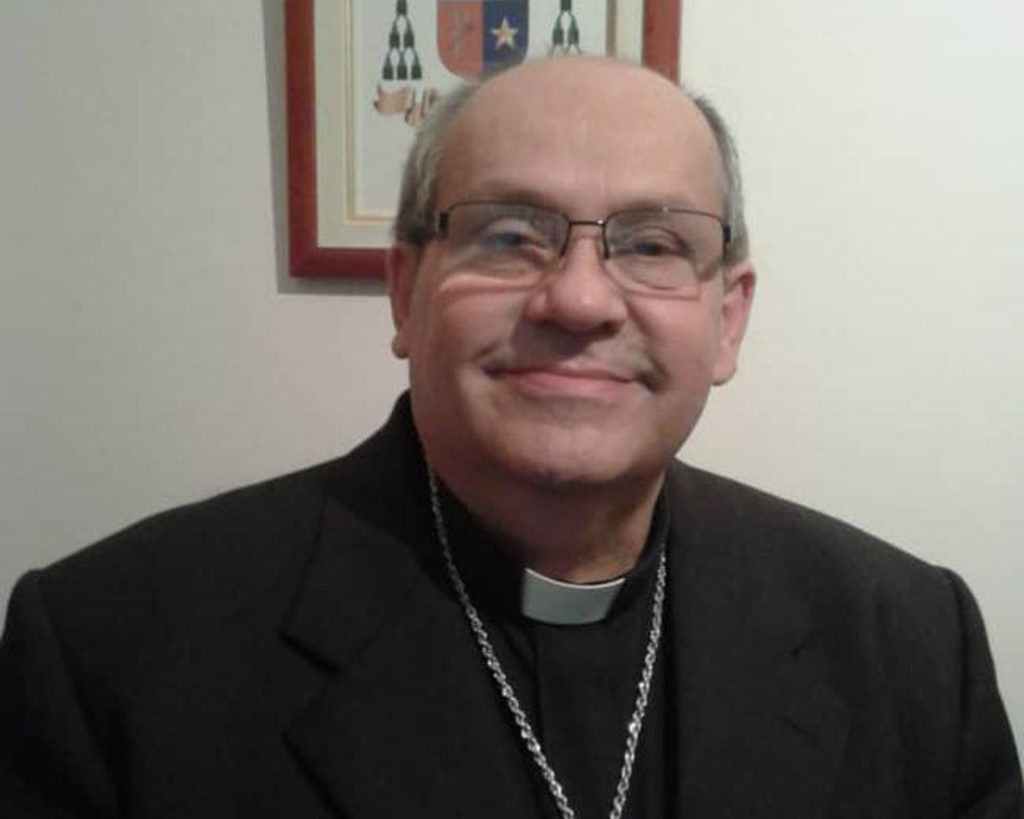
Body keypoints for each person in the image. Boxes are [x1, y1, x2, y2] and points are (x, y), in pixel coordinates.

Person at [1, 56, 1020, 818]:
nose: (578, 300)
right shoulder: (109, 652)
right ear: (406, 290)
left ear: (728, 318)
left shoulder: (911, 641)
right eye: (507, 234)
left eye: (653, 243)